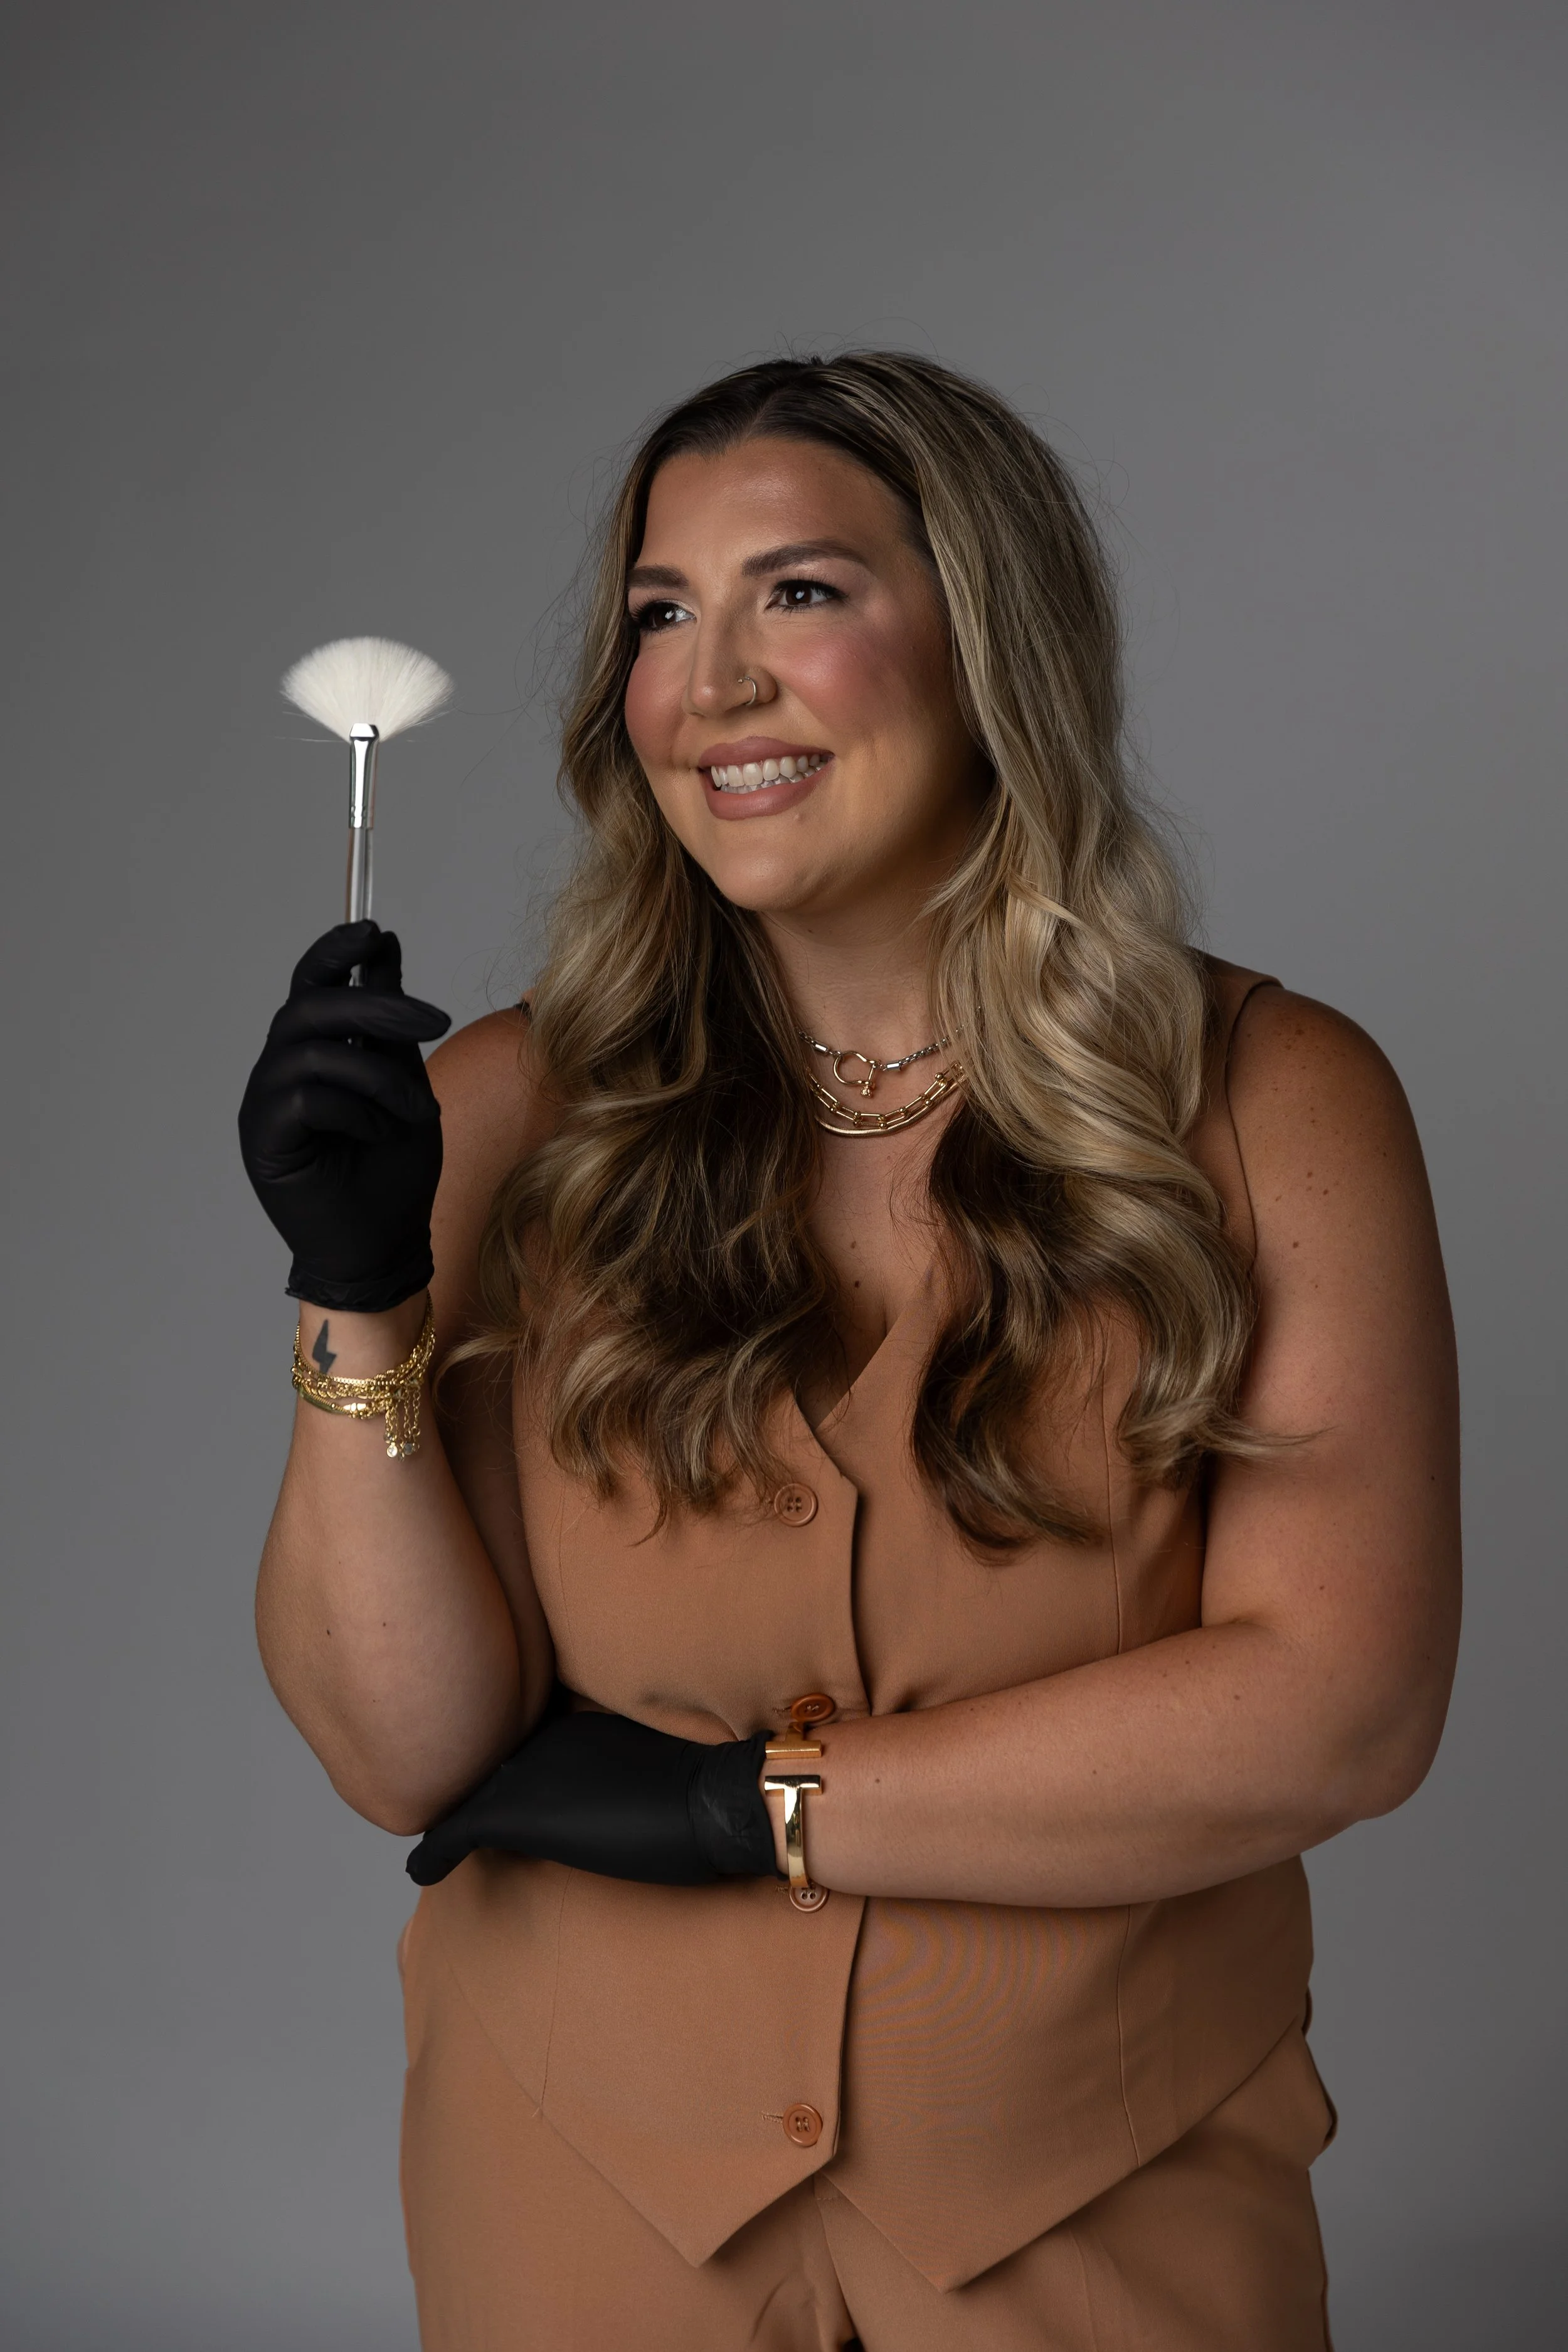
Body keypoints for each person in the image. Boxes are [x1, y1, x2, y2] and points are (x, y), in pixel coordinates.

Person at [239, 353, 1460, 2351]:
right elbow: (407, 1747)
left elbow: (1337, 1703)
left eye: (797, 594)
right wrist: (354, 1283)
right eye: (659, 613)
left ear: (989, 646)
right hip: (578, 2180)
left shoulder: (1269, 1099)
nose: (709, 684)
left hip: (1100, 2177)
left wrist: (756, 1803)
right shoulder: (498, 1112)